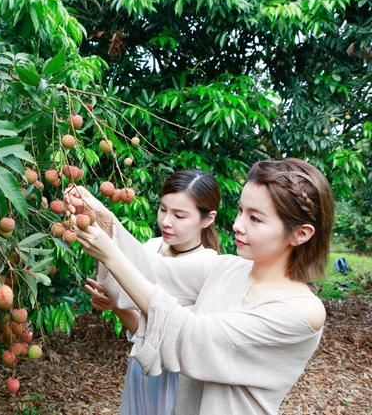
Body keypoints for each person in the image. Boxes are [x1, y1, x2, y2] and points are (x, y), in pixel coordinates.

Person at [68, 158, 333, 415]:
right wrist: (101, 217)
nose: (237, 225)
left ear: (301, 233)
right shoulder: (227, 268)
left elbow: (195, 338)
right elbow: (154, 270)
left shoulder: (302, 311)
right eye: (242, 211)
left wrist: (110, 254)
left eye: (256, 219)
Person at [84, 169, 221, 415]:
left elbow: (185, 340)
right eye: (163, 209)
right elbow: (143, 330)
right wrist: (115, 305)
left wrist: (108, 233)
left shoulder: (209, 266)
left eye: (180, 215)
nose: (166, 221)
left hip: (177, 378)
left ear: (208, 218)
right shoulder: (151, 247)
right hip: (143, 367)